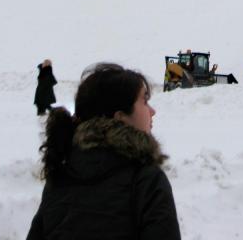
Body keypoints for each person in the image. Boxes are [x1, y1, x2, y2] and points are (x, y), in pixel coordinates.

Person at [26, 62, 181, 240]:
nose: (152, 111)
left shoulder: (60, 174)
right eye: (144, 101)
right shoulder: (145, 180)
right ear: (120, 118)